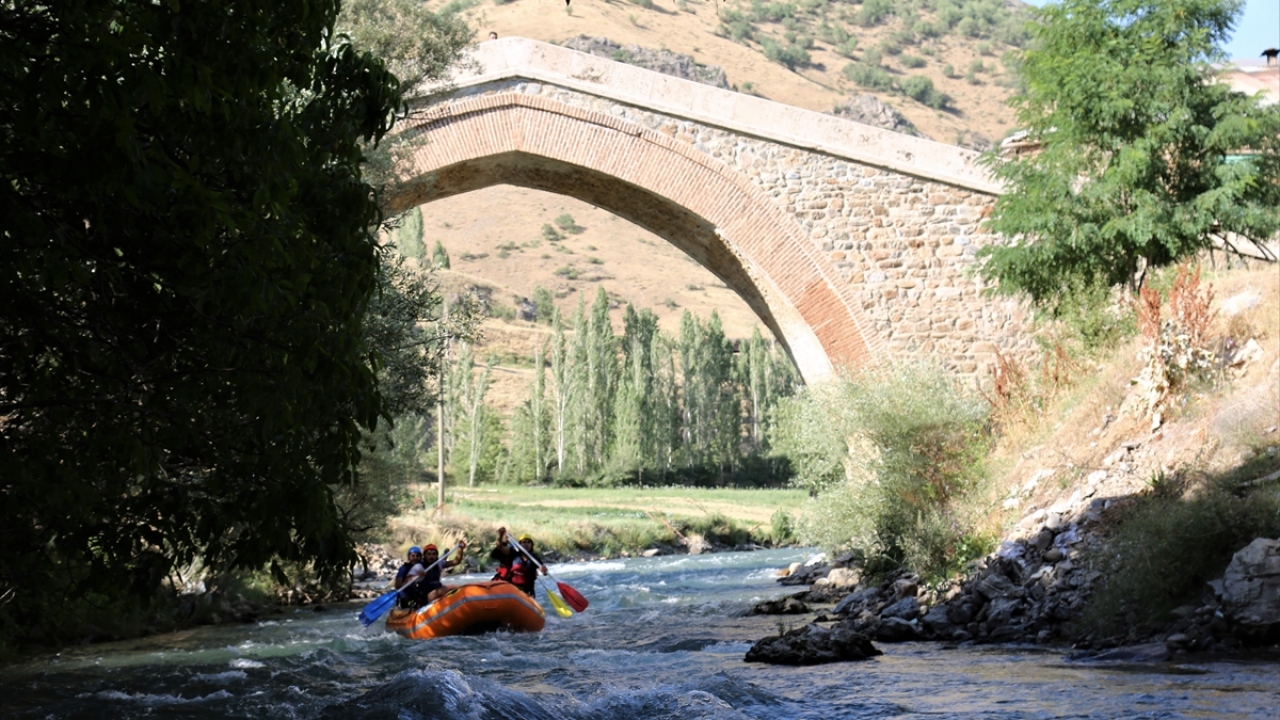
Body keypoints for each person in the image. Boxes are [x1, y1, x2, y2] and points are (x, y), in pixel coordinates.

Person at [395, 541, 466, 609]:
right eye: (429, 554)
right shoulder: (418, 566)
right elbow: (406, 581)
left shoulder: (439, 563)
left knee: (449, 589)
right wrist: (416, 576)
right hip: (426, 597)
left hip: (438, 592)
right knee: (450, 587)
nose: (431, 556)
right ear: (425, 556)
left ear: (436, 555)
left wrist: (461, 549)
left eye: (433, 554)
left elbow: (456, 561)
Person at [490, 528, 547, 596]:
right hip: (512, 589)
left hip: (526, 592)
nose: (526, 544)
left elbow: (544, 572)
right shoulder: (513, 553)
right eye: (524, 542)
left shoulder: (535, 558)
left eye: (528, 542)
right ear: (520, 544)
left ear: (531, 545)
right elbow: (500, 547)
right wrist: (501, 535)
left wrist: (543, 570)